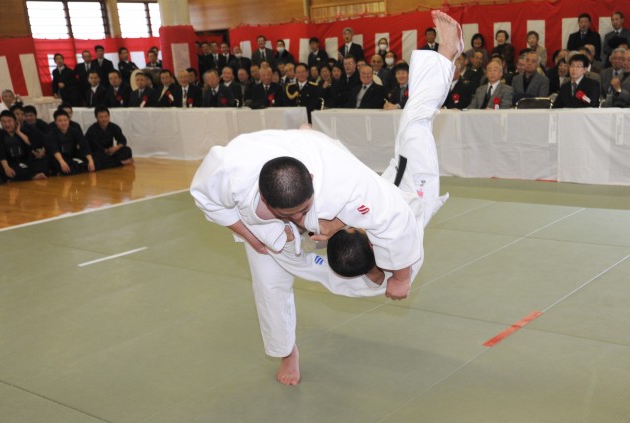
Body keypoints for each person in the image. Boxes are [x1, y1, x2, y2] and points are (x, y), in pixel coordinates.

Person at [190, 9, 462, 386]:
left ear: (313, 188)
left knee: (413, 129)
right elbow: (206, 200)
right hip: (277, 202)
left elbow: (396, 226)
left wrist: (399, 277)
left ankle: (446, 56)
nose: (302, 221)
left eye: (305, 211)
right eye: (293, 215)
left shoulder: (346, 185)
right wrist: (252, 236)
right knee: (269, 281)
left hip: (381, 188)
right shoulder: (229, 168)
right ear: (268, 202)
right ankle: (288, 352)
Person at [0, 110, 48, 182]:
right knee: (6, 170)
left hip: (22, 161)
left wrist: (19, 132)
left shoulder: (23, 131)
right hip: (8, 162)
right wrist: (6, 168)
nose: (7, 124)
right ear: (0, 123)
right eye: (4, 122)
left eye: (9, 121)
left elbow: (31, 144)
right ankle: (31, 176)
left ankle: (23, 176)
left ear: (15, 122)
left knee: (38, 165)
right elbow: (0, 154)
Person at [46, 109, 95, 175]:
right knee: (67, 166)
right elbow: (54, 150)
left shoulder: (75, 132)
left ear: (69, 120)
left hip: (73, 157)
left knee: (94, 160)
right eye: (60, 121)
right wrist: (62, 162)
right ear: (55, 122)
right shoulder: (52, 134)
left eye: (65, 120)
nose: (63, 123)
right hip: (59, 159)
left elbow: (84, 146)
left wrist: (91, 161)